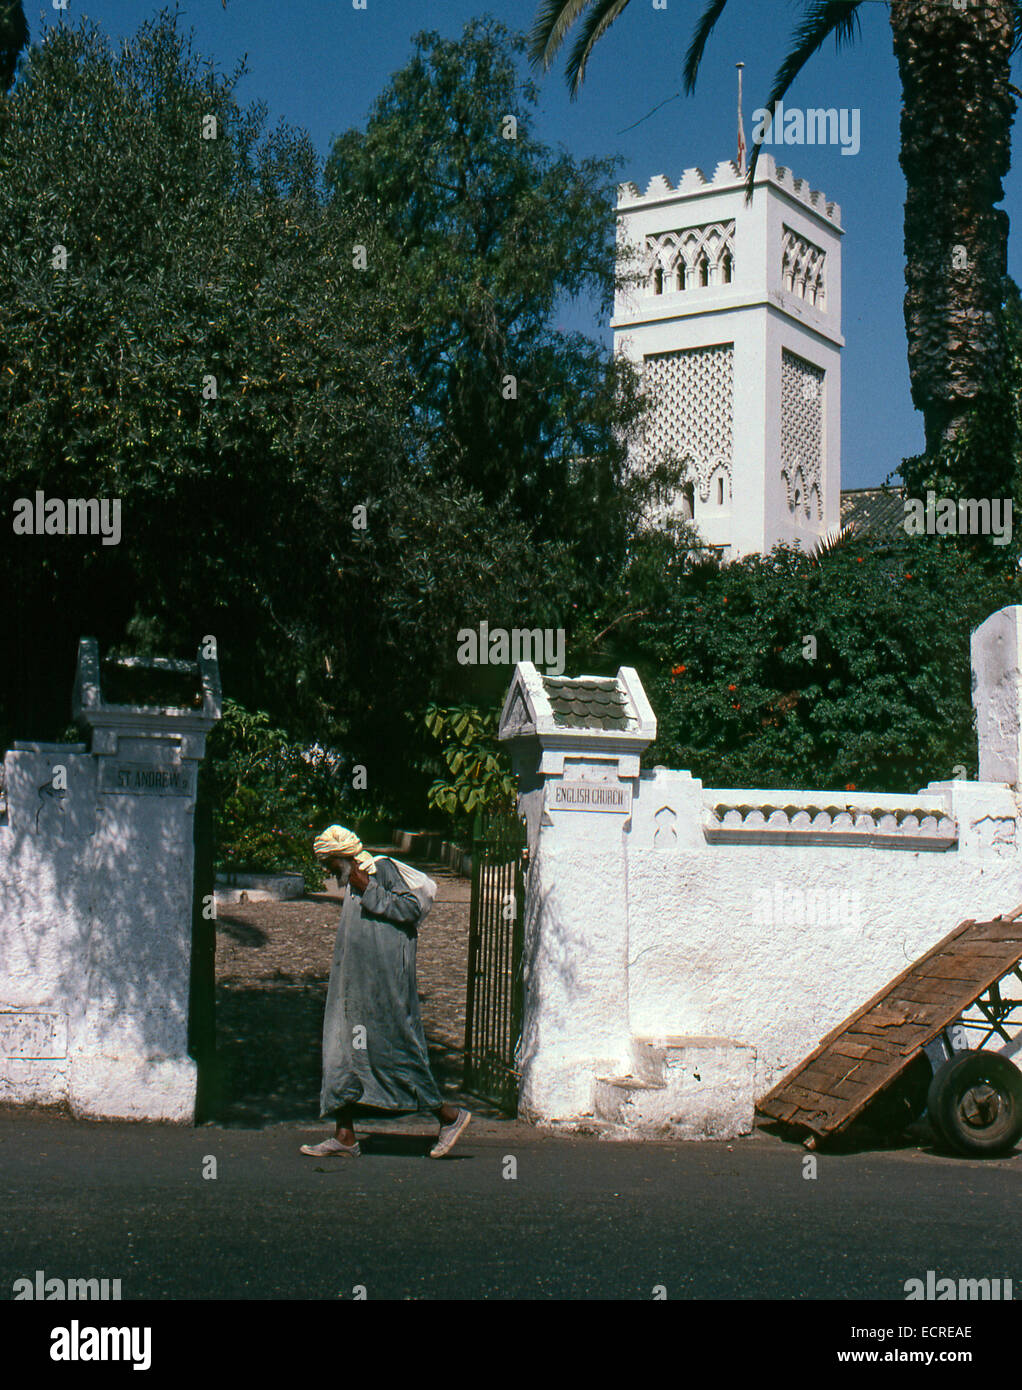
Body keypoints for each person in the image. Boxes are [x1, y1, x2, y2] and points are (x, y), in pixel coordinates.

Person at [299, 824, 471, 1159]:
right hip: (352, 988)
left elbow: (410, 910)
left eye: (329, 862)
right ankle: (344, 1135)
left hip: (383, 988)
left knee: (396, 1050)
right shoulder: (352, 880)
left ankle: (449, 1116)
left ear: (343, 856)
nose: (326, 869)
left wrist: (370, 890)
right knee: (340, 1054)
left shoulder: (381, 869)